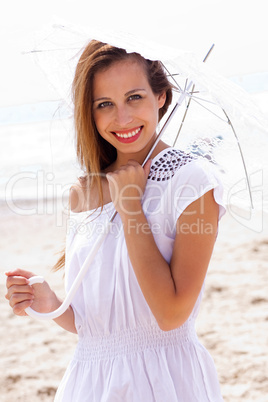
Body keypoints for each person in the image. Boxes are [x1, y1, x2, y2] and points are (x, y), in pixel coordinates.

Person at [5, 39, 226, 401]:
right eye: (104, 104)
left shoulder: (192, 182)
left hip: (165, 382)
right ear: (89, 114)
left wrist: (131, 208)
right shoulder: (84, 193)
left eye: (134, 97)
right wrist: (52, 305)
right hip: (91, 382)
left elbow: (170, 315)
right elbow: (101, 328)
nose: (122, 119)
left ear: (161, 97)